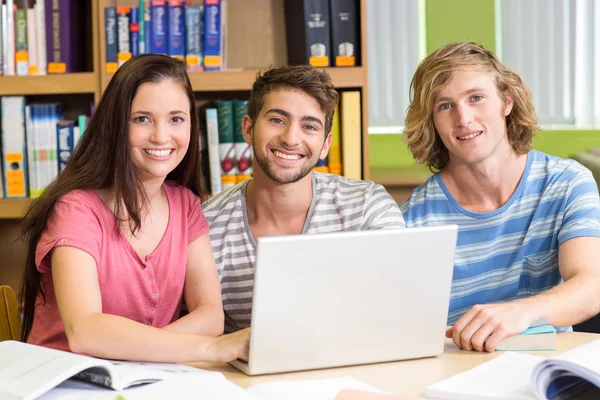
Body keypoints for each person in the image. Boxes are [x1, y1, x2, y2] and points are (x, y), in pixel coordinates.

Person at [20, 54, 249, 363]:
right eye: (142, 119)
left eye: (176, 119)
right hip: (66, 384)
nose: (161, 136)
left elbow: (210, 316)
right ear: (116, 126)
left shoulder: (186, 205)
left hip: (145, 382)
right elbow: (85, 331)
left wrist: (141, 352)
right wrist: (208, 348)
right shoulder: (75, 209)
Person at [400, 42, 600, 352]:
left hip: (547, 372)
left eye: (476, 98)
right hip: (452, 378)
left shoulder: (567, 183)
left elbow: (592, 287)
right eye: (445, 106)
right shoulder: (413, 221)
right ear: (432, 122)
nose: (463, 118)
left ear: (506, 102)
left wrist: (520, 312)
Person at [202, 65, 405, 332]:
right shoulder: (206, 227)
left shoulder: (368, 207)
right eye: (277, 120)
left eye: (309, 126)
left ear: (325, 144)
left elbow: (397, 308)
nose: (290, 138)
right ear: (248, 129)